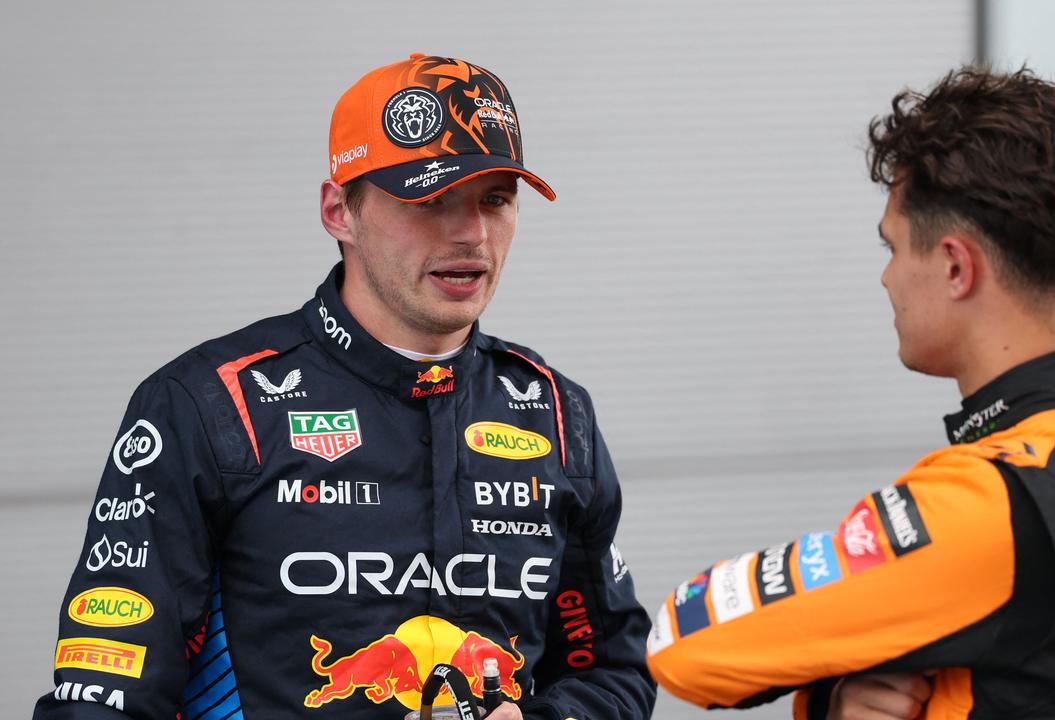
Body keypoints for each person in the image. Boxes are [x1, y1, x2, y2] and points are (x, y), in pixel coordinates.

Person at [34, 53, 655, 720]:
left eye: (495, 199)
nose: (472, 232)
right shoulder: (211, 406)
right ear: (339, 210)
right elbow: (104, 698)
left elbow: (615, 669)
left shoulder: (555, 414)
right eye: (433, 198)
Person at [645, 66, 1055, 718]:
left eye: (894, 246)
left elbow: (685, 640)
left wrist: (822, 691)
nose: (887, 277)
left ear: (956, 266)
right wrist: (837, 698)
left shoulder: (999, 498)